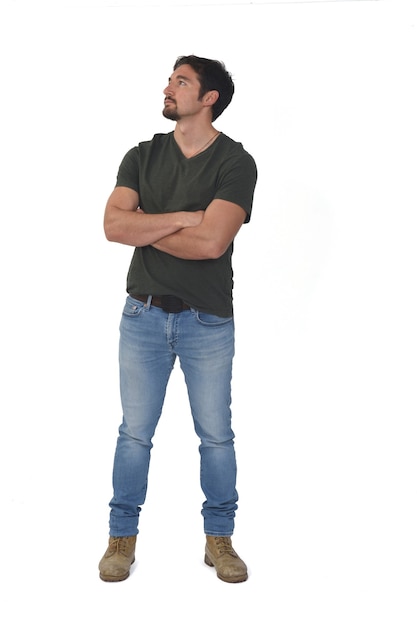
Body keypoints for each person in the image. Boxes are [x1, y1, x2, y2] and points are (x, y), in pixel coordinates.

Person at [98, 55, 257, 584]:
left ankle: (220, 540)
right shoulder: (142, 155)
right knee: (133, 434)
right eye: (171, 80)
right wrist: (184, 217)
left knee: (216, 436)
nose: (168, 88)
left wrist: (147, 224)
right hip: (141, 315)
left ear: (208, 97)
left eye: (181, 82)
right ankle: (121, 538)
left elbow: (213, 242)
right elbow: (113, 227)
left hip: (207, 322)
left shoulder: (236, 163)